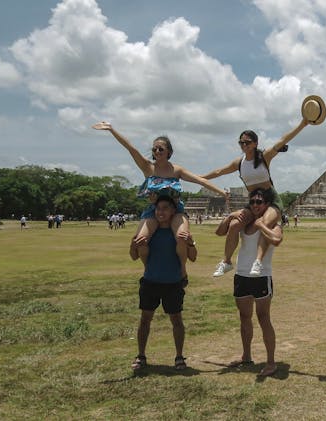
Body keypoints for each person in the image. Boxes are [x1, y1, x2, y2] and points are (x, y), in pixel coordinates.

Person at [93, 121, 227, 280]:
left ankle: (182, 270)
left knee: (182, 236)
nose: (157, 151)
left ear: (169, 152)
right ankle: (147, 268)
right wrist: (111, 129)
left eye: (161, 149)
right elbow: (130, 148)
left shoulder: (177, 170)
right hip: (154, 211)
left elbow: (200, 181)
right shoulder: (147, 167)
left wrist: (222, 193)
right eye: (154, 149)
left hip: (176, 210)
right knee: (141, 241)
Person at [204, 117, 311, 277]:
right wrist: (199, 177)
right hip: (254, 201)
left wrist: (303, 123)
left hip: (271, 199)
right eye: (241, 143)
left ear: (255, 143)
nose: (243, 145)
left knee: (265, 223)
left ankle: (258, 262)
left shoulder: (264, 156)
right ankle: (226, 262)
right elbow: (219, 171)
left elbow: (283, 140)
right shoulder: (239, 163)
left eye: (247, 142)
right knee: (234, 226)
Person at [128, 195, 198, 371]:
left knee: (177, 321)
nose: (161, 212)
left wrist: (190, 242)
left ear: (174, 211)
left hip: (173, 282)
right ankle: (141, 355)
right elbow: (134, 256)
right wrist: (133, 244)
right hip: (150, 281)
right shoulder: (150, 232)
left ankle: (179, 356)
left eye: (165, 208)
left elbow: (193, 257)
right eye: (158, 208)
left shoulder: (178, 234)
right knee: (145, 320)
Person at [220, 189, 283, 377]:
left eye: (260, 202)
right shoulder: (244, 222)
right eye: (253, 201)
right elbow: (220, 232)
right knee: (244, 317)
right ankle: (246, 355)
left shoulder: (274, 223)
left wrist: (261, 225)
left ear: (267, 205)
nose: (255, 205)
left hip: (261, 276)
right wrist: (231, 215)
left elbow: (277, 240)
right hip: (241, 275)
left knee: (264, 318)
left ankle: (271, 362)